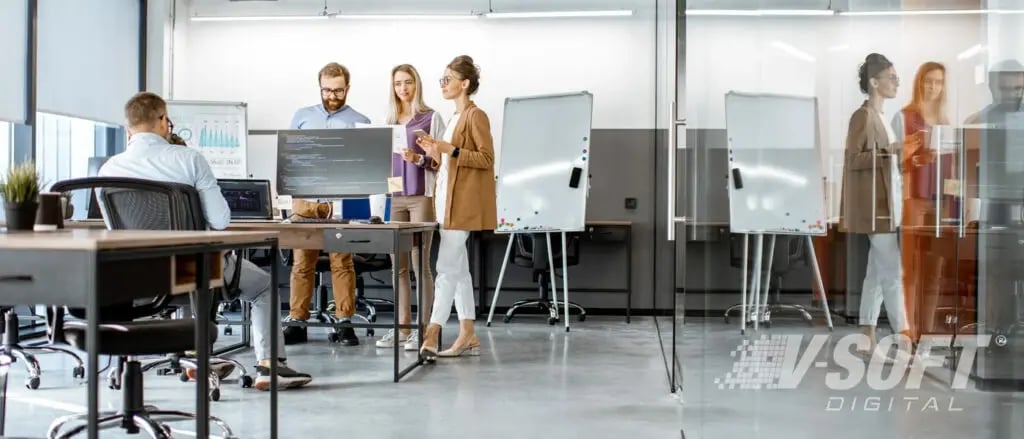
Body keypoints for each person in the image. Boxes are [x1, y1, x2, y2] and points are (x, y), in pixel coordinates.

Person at [100, 91, 312, 391]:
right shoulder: (189, 160)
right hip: (192, 270)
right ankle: (270, 366)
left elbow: (115, 230)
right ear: (163, 120)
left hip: (140, 277)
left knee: (191, 272)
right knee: (263, 285)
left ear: (128, 129)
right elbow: (221, 220)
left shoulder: (109, 169)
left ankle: (195, 357)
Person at [284, 62, 371, 346]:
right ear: (319, 87)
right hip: (306, 202)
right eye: (326, 90)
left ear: (348, 88)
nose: (332, 96)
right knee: (301, 264)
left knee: (342, 263)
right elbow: (290, 158)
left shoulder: (360, 121)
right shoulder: (302, 117)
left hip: (339, 203)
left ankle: (345, 322)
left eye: (338, 90)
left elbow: (365, 166)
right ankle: (297, 322)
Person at [415, 55, 496, 359]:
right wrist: (434, 153)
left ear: (465, 84)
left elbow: (486, 158)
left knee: (446, 268)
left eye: (448, 79)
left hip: (462, 205)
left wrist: (450, 149)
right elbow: (449, 165)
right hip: (445, 203)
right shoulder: (453, 118)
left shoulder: (476, 116)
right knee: (459, 270)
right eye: (443, 79)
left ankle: (432, 331)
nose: (443, 84)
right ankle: (468, 333)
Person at [839, 53, 911, 360]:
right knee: (892, 273)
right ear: (874, 82)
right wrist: (891, 150)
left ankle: (867, 333)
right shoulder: (863, 116)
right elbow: (853, 160)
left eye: (896, 78)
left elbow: (888, 164)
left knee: (877, 273)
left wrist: (902, 154)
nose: (896, 83)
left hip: (889, 205)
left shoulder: (883, 118)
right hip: (875, 209)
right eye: (891, 77)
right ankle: (904, 337)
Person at [376, 64, 446, 351]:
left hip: (421, 197)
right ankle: (402, 327)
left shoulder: (431, 118)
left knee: (420, 264)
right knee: (399, 267)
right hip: (395, 198)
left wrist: (416, 159)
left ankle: (424, 330)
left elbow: (441, 162)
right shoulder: (390, 121)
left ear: (417, 85)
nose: (403, 88)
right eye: (398, 83)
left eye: (408, 82)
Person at [891, 62, 950, 344]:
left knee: (935, 270)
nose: (933, 87)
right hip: (913, 199)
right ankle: (910, 329)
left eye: (938, 82)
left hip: (941, 202)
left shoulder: (945, 122)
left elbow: (953, 167)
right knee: (912, 269)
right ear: (919, 82)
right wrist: (916, 159)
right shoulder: (904, 118)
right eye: (928, 81)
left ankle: (927, 329)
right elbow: (892, 164)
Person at [965, 59, 1024, 126]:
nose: (1011, 95)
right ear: (991, 88)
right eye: (1005, 89)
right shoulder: (976, 122)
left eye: (1018, 88)